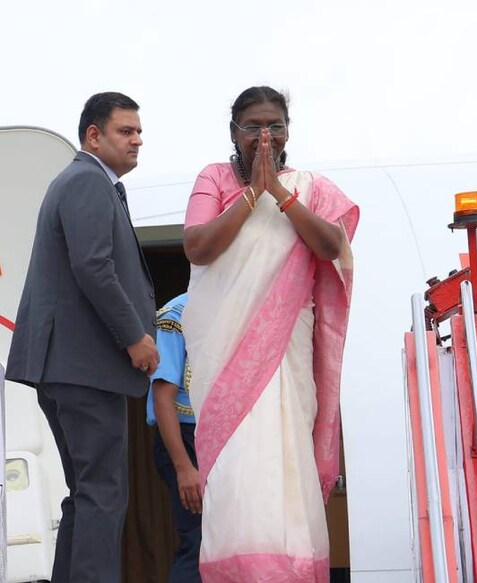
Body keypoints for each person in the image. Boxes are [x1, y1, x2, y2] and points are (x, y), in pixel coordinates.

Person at [180, 86, 359, 582]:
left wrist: (280, 194)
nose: (265, 135)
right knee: (240, 473)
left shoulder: (309, 186)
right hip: (226, 353)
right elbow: (197, 246)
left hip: (286, 349)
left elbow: (330, 245)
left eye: (275, 125)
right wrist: (252, 195)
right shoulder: (214, 178)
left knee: (285, 460)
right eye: (254, 126)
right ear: (233, 132)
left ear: (288, 131)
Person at [4, 91, 158, 583]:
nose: (137, 140)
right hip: (83, 368)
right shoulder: (88, 181)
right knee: (103, 493)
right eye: (125, 131)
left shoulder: (82, 181)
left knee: (88, 492)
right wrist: (135, 335)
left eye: (138, 131)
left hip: (68, 367)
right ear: (94, 135)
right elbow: (93, 266)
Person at [147, 292, 202, 583]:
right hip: (185, 437)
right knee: (199, 540)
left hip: (223, 439)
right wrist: (184, 467)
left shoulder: (236, 306)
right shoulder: (176, 314)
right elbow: (162, 397)